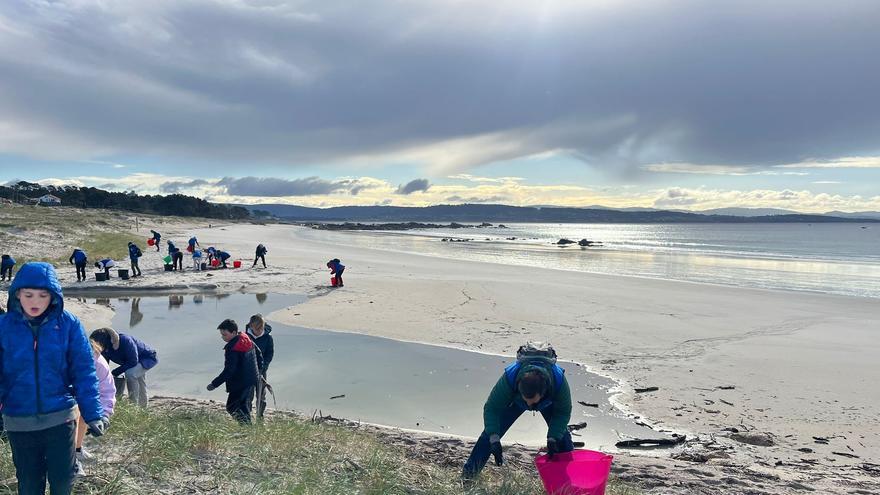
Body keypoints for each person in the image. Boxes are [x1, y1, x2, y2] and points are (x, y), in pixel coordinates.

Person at [0, 262, 108, 494]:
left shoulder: (68, 324)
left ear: (54, 297)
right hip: (19, 419)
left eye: (43, 295)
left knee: (62, 481)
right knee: (29, 483)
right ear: (17, 294)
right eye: (29, 295)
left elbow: (84, 372)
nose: (35, 302)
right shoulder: (3, 327)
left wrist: (93, 413)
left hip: (60, 418)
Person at [462, 342, 573, 480]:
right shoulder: (510, 379)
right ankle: (468, 477)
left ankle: (568, 479)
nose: (529, 404)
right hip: (516, 402)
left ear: (542, 393)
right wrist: (494, 439)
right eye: (526, 399)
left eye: (532, 401)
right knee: (488, 437)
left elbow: (563, 413)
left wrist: (553, 437)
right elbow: (492, 409)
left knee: (562, 439)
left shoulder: (559, 382)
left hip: (547, 403)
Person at [73, 338, 117, 476]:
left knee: (87, 408)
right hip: (59, 399)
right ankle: (71, 460)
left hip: (82, 396)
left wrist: (103, 416)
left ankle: (77, 449)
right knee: (72, 414)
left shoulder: (99, 364)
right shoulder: (60, 358)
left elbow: (107, 391)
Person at [207, 319, 263, 424]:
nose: (223, 337)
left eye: (225, 335)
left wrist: (214, 384)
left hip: (240, 382)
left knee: (231, 406)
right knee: (243, 405)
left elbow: (229, 370)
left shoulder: (232, 348)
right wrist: (259, 371)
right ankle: (248, 429)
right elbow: (259, 354)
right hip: (251, 379)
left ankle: (246, 427)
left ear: (233, 332)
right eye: (221, 335)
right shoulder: (245, 337)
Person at [89, 328, 159, 408]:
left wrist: (115, 372)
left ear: (103, 341)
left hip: (147, 358)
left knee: (130, 374)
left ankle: (133, 405)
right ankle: (143, 407)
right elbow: (104, 364)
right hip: (133, 361)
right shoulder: (105, 348)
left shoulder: (125, 340)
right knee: (139, 380)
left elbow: (133, 361)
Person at [246, 314, 274, 418]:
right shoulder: (245, 337)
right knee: (248, 395)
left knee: (261, 395)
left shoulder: (268, 338)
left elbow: (269, 354)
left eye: (260, 328)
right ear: (250, 326)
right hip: (248, 371)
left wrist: (264, 367)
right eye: (256, 328)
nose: (258, 331)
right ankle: (247, 416)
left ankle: (260, 416)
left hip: (262, 370)